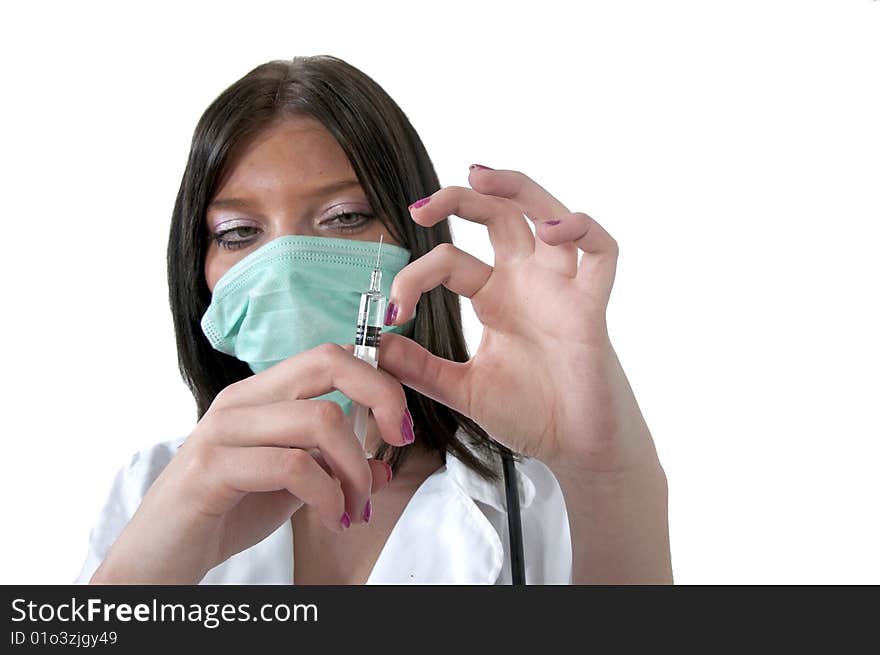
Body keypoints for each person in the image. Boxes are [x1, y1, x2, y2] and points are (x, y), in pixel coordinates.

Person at [75, 55, 672, 585]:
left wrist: (605, 474)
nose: (286, 272)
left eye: (344, 217)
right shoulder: (153, 489)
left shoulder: (540, 502)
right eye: (237, 233)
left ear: (417, 240)